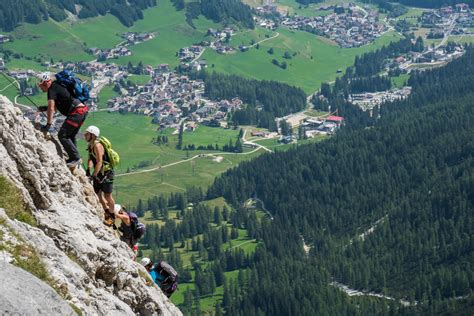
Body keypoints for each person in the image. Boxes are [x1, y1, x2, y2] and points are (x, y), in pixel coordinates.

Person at [37, 72, 89, 168]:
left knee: (63, 135)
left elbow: (52, 108)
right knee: (71, 135)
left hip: (76, 112)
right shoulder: (58, 86)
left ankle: (75, 158)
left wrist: (48, 125)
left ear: (45, 82)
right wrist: (43, 108)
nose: (41, 88)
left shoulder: (51, 89)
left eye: (41, 86)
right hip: (82, 111)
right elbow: (56, 107)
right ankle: (74, 159)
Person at [84, 125, 115, 226]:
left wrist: (94, 175)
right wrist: (88, 168)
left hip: (107, 173)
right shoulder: (90, 145)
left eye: (87, 134)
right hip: (99, 173)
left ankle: (112, 216)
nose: (85, 135)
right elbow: (90, 159)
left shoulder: (97, 146)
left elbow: (99, 162)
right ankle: (106, 211)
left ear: (92, 135)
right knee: (97, 194)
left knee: (107, 196)